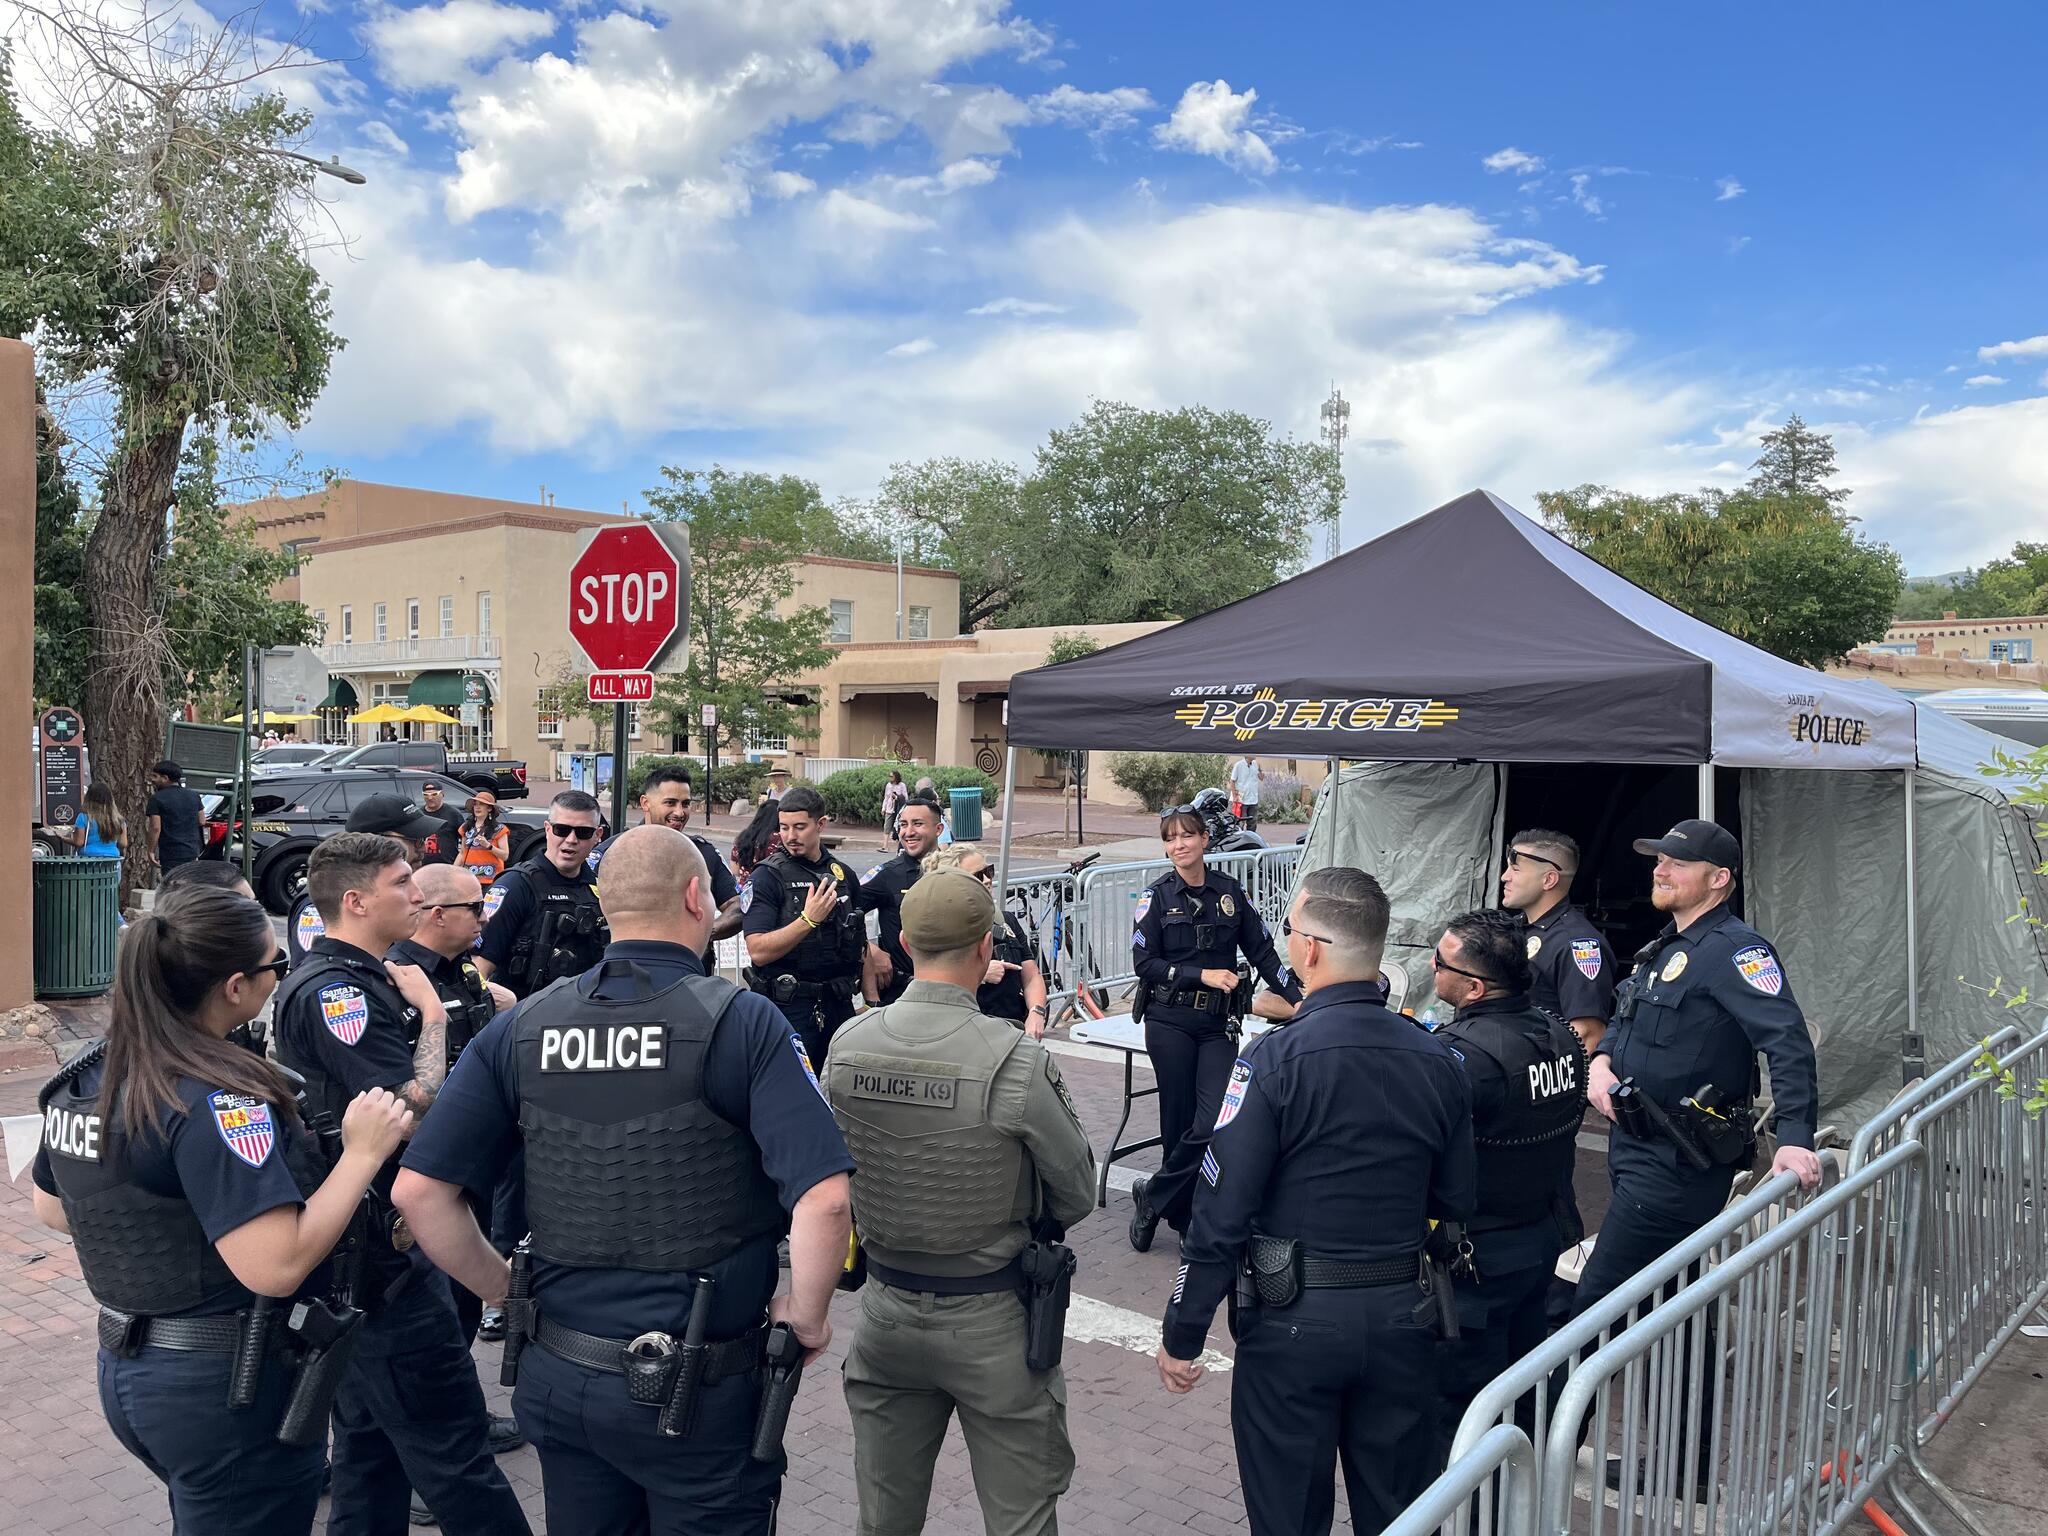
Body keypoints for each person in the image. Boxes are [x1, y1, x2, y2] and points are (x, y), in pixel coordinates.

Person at [391, 826, 856, 1536]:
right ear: (697, 898)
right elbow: (823, 1197)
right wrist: (810, 1313)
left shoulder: (526, 1025)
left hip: (561, 1374)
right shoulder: (740, 1021)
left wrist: (502, 1292)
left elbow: (419, 1192)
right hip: (698, 1386)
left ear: (606, 907)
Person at [32, 884, 414, 1534]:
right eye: (275, 967)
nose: (279, 976)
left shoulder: (93, 1074)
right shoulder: (219, 1101)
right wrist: (361, 1155)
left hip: (133, 1371)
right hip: (224, 1385)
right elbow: (276, 1266)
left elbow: (54, 1208)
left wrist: (182, 1226)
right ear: (235, 987)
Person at [1156, 867, 1474, 1536]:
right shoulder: (1438, 1058)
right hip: (1403, 1316)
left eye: (1291, 930)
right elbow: (1457, 1195)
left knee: (1290, 1517)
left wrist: (1183, 1331)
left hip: (1293, 1321)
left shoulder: (1272, 1062)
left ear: (1311, 949)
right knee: (1401, 1515)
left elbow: (1220, 1215)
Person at [272, 834, 531, 1536]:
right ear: (355, 901)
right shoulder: (338, 995)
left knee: (369, 1453)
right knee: (457, 1458)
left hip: (361, 1261)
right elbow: (408, 1115)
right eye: (400, 883)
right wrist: (439, 1021)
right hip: (379, 1266)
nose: (416, 894)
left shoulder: (368, 977)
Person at [826, 869, 1096, 1535]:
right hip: (992, 1315)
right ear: (984, 950)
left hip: (886, 1312)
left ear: (904, 943)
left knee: (883, 1520)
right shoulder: (1012, 1058)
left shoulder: (848, 1045)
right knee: (1022, 1520)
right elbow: (1077, 1191)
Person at [1579, 819, 1824, 1494]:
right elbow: (1626, 1026)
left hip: (1676, 1168)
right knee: (1680, 1312)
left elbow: (1789, 1044)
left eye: (1676, 863)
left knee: (1597, 1307)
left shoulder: (1737, 951)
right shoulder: (1668, 946)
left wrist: (1796, 1137)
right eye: (1658, 859)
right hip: (1634, 1150)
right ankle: (1686, 1465)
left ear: (1719, 879)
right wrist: (1601, 1061)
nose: (1660, 869)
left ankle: (1538, 1440)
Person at [1426, 908, 1587, 1462]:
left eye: (1440, 961)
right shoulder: (1557, 1033)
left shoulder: (1466, 1059)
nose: (1431, 967)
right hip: (1539, 1238)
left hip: (1477, 1262)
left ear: (1472, 987)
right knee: (1520, 1390)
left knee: (1459, 1413)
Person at [384, 863, 524, 1459]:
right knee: (425, 1320)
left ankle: (462, 1411)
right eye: (474, 907)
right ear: (437, 913)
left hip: (474, 1166)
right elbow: (405, 1092)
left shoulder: (463, 968)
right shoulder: (397, 976)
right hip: (422, 1171)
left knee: (461, 1305)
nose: (485, 917)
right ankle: (420, 1455)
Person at [1127, 805, 1301, 1253]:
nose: (1179, 845)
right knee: (1178, 1122)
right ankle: (1185, 1219)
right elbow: (1144, 964)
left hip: (1216, 1024)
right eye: (1170, 838)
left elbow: (1264, 952)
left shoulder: (1230, 893)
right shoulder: (1157, 897)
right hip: (1169, 1022)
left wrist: (1301, 1000)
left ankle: (1153, 1197)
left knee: (1213, 1123)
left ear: (1206, 839)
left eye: (1187, 836)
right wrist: (1199, 975)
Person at [741, 784, 875, 1067]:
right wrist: (807, 920)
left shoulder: (843, 875)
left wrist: (872, 1005)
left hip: (838, 1005)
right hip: (789, 1008)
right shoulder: (767, 876)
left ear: (821, 824)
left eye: (800, 827)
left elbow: (862, 946)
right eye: (784, 828)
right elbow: (758, 951)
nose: (790, 837)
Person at [589, 764, 741, 966]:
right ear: (645, 803)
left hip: (690, 980)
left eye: (685, 804)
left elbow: (738, 906)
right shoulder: (612, 853)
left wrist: (704, 931)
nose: (679, 812)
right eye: (670, 803)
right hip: (624, 976)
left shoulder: (703, 853)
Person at [286, 794, 455, 968]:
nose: (423, 848)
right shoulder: (325, 897)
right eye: (415, 840)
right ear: (376, 840)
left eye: (424, 840)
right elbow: (317, 972)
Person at [476, 789, 607, 999]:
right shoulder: (516, 886)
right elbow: (480, 968)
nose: (571, 840)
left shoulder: (600, 887)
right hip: (523, 1015)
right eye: (562, 830)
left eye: (583, 832)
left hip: (581, 1016)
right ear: (547, 830)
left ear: (597, 836)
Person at [1499, 828, 1615, 1053]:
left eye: (1515, 869)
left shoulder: (1579, 944)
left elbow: (1587, 1035)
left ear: (1549, 879)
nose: (1505, 876)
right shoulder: (1512, 928)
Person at [926, 842, 1050, 1036]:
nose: (986, 880)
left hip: (1012, 1030)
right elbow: (928, 986)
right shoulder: (941, 928)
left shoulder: (1005, 920)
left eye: (988, 871)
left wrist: (1036, 1013)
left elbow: (1032, 975)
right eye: (977, 876)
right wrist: (980, 974)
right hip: (966, 1033)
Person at [860, 795, 944, 1006]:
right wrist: (870, 950)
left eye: (918, 824)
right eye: (904, 825)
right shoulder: (887, 875)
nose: (908, 832)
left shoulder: (956, 870)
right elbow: (843, 913)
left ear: (939, 830)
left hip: (949, 994)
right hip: (900, 996)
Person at [146, 760, 205, 876]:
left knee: (172, 886)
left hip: (170, 852)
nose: (152, 780)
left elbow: (155, 828)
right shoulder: (193, 795)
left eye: (155, 776)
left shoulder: (156, 799)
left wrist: (151, 851)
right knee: (188, 885)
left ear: (165, 778)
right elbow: (202, 820)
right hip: (192, 850)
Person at [455, 789, 511, 888]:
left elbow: (505, 856)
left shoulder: (499, 829)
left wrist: (488, 846)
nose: (477, 807)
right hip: (470, 879)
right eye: (475, 804)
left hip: (491, 879)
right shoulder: (466, 827)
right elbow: (462, 853)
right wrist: (453, 871)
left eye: (481, 804)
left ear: (489, 808)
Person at [68, 781, 129, 859]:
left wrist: (64, 839)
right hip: (112, 860)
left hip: (89, 859)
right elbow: (123, 843)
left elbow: (79, 842)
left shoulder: (83, 817)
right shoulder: (119, 820)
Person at [729, 798, 784, 882]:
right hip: (769, 888)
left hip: (746, 889)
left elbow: (735, 870)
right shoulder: (779, 839)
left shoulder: (744, 836)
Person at [416, 781, 464, 866]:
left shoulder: (453, 814)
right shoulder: (419, 815)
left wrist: (456, 865)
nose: (430, 798)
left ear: (442, 794)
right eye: (426, 795)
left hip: (448, 866)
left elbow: (465, 841)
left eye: (434, 794)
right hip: (424, 868)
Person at [1228, 754, 1262, 832]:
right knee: (1240, 822)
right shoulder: (1238, 765)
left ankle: (1251, 838)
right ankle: (1239, 838)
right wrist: (1234, 795)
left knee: (1252, 822)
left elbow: (1261, 778)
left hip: (1253, 798)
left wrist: (1260, 770)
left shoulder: (1255, 764)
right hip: (1241, 799)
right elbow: (1232, 781)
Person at [881, 769, 908, 842]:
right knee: (887, 826)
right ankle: (885, 846)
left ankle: (900, 845)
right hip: (889, 808)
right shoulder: (888, 785)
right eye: (889, 776)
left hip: (898, 809)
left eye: (892, 776)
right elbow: (886, 797)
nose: (890, 778)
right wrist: (883, 808)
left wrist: (897, 797)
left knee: (899, 827)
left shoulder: (902, 785)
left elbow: (905, 797)